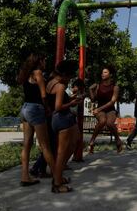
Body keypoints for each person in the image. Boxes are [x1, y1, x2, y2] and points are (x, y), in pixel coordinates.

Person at [17, 53, 57, 191]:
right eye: (44, 59)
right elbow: (43, 95)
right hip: (35, 108)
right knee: (46, 146)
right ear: (39, 61)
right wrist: (48, 109)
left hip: (25, 108)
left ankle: (25, 177)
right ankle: (58, 179)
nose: (46, 62)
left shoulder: (26, 74)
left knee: (26, 145)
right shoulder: (38, 73)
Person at [46, 60, 81, 193]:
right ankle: (57, 184)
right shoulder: (60, 86)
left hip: (58, 120)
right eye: (70, 77)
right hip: (62, 119)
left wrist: (70, 100)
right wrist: (72, 104)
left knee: (72, 144)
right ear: (65, 74)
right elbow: (58, 107)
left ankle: (58, 177)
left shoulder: (50, 82)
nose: (70, 80)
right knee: (61, 153)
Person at [88, 65, 123, 154]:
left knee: (109, 123)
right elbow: (93, 99)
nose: (103, 74)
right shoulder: (98, 86)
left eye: (105, 72)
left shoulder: (115, 87)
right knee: (103, 121)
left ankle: (118, 141)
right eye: (102, 72)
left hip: (110, 109)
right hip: (100, 110)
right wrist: (90, 90)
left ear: (110, 74)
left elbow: (112, 102)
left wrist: (98, 109)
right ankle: (92, 141)